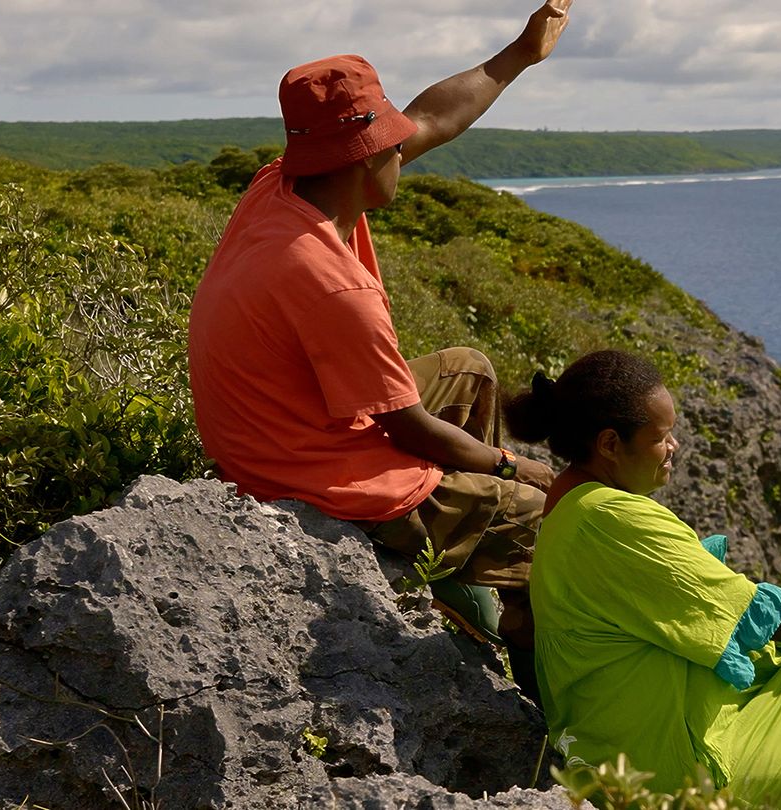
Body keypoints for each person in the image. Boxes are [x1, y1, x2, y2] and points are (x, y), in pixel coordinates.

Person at [186, 1, 575, 660]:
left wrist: (520, 53)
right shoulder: (333, 284)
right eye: (395, 145)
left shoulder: (283, 184)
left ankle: (462, 561)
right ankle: (524, 655)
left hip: (267, 437)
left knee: (469, 368)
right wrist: (522, 469)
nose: (408, 146)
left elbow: (433, 118)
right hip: (306, 479)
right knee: (547, 520)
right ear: (368, 161)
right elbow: (411, 429)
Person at [509, 350, 781, 809]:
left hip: (662, 714)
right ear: (609, 444)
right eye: (662, 437)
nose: (674, 446)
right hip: (662, 762)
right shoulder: (607, 519)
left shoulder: (579, 503)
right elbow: (746, 611)